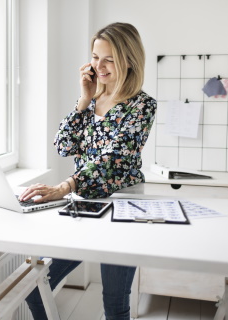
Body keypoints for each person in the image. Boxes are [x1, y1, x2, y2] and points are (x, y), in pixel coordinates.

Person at [19, 22, 157, 320]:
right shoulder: (92, 100)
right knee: (34, 286)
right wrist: (83, 100)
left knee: (114, 305)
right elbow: (63, 146)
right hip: (85, 205)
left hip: (124, 208)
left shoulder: (142, 106)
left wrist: (65, 186)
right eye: (95, 56)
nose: (99, 65)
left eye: (109, 58)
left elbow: (113, 160)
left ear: (129, 60)